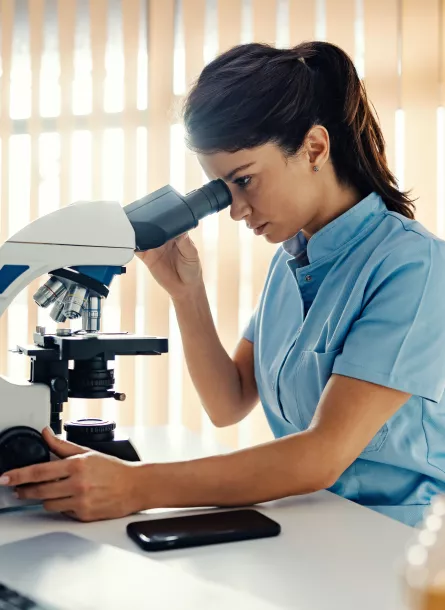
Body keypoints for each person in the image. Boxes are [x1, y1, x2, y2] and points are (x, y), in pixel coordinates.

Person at [2, 41, 445, 527]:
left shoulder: (413, 266)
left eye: (245, 180)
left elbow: (322, 455)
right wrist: (185, 292)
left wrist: (134, 485)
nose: (235, 209)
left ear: (315, 148)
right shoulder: (292, 259)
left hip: (397, 545)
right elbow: (228, 402)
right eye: (221, 189)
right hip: (316, 527)